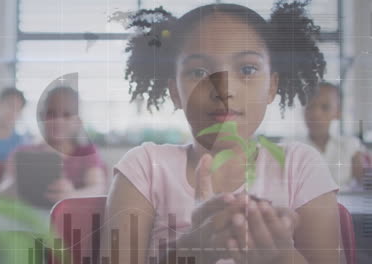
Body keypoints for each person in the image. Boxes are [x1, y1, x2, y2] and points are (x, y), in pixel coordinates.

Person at [102, 2, 344, 264]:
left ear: (272, 86)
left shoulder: (300, 167)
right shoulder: (145, 168)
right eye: (199, 72)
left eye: (247, 69)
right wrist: (189, 251)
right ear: (175, 92)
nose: (223, 88)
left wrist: (280, 256)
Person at [0, 85, 107, 203]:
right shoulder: (22, 152)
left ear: (78, 122)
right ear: (41, 117)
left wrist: (73, 195)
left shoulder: (87, 152)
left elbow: (98, 188)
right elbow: (0, 193)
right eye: (51, 113)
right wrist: (19, 182)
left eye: (67, 115)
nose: (58, 121)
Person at [292, 82, 367, 191]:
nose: (316, 113)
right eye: (310, 106)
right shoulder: (291, 146)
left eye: (325, 107)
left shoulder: (350, 145)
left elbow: (365, 184)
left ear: (338, 113)